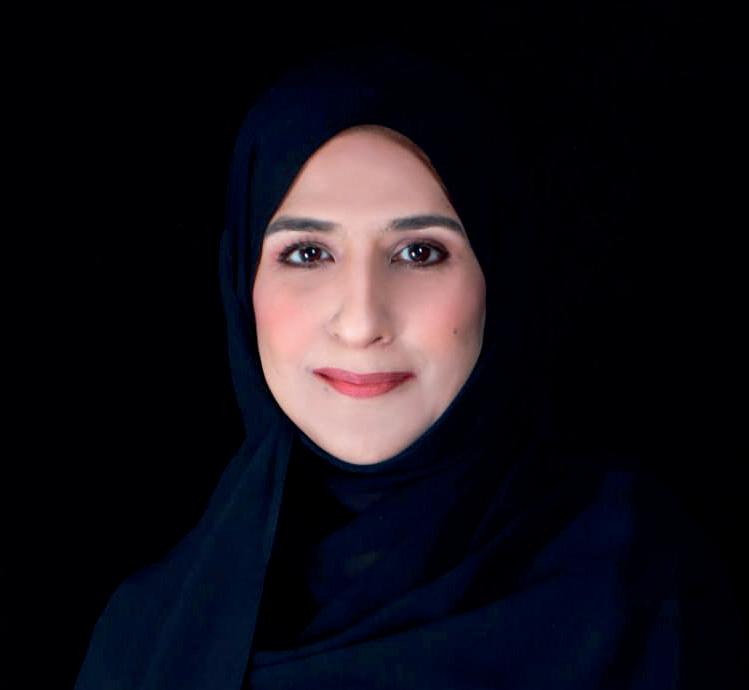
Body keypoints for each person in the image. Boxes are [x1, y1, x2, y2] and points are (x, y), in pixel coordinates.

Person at [74, 46, 746, 689]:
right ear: (242, 282)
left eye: (419, 252)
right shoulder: (146, 637)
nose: (362, 321)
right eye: (308, 253)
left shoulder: (642, 590)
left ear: (498, 274)